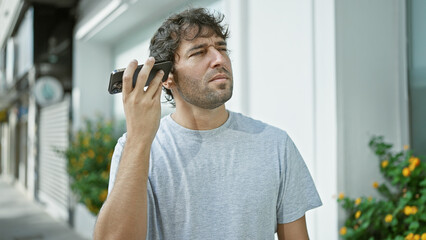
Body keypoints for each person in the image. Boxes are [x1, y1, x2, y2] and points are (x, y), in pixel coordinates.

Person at [94, 8, 322, 240]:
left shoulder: (275, 145)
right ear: (167, 76)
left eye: (222, 48)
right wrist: (139, 139)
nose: (220, 60)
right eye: (199, 52)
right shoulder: (136, 147)